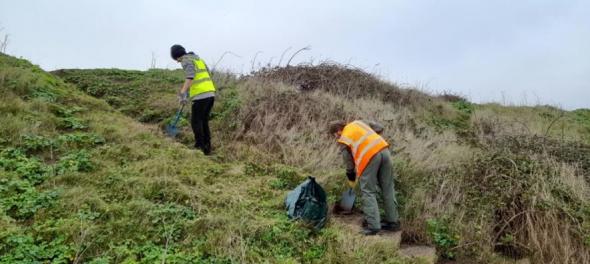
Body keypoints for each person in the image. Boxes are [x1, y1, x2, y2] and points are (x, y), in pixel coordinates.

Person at [329, 120, 401, 235]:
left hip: (369, 157)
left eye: (335, 135)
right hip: (384, 150)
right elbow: (379, 126)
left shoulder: (344, 138)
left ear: (338, 131)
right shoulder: (358, 123)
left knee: (368, 191)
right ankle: (393, 222)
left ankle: (373, 226)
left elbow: (348, 161)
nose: (336, 137)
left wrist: (350, 175)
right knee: (388, 188)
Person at [170, 44, 215, 155]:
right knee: (203, 121)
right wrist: (189, 93)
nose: (178, 62)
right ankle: (207, 148)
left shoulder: (185, 60)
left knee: (196, 121)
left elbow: (190, 76)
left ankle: (199, 146)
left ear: (177, 56)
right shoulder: (198, 59)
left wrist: (183, 93)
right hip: (210, 93)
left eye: (176, 59)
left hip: (201, 95)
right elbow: (206, 74)